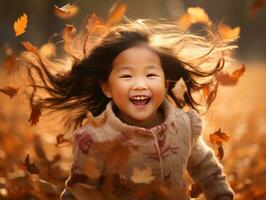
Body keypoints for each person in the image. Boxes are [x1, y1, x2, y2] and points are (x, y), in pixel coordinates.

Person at [20, 17, 236, 200]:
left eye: (151, 75)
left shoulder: (184, 126)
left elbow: (207, 170)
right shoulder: (94, 139)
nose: (140, 84)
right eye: (126, 76)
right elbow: (78, 192)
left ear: (166, 83)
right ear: (107, 88)